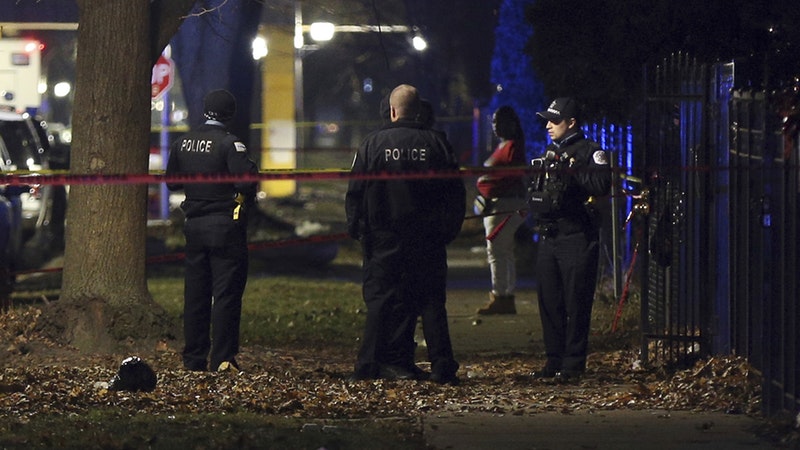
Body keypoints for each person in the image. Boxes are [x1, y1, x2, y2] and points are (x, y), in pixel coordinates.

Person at [345, 84, 465, 384]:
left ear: (392, 111)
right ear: (419, 110)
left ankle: (367, 365)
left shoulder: (372, 144)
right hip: (427, 238)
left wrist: (357, 228)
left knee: (380, 300)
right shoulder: (437, 144)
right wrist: (449, 230)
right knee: (431, 302)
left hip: (383, 237)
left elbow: (356, 191)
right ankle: (442, 366)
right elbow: (455, 193)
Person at [166, 89, 259, 372]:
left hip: (194, 227)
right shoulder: (231, 144)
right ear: (230, 114)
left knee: (195, 295)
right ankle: (222, 359)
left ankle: (193, 358)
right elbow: (246, 182)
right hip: (225, 227)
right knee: (226, 294)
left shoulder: (183, 142)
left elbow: (172, 182)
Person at [527, 97, 611, 382]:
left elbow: (601, 185)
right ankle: (554, 360)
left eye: (554, 121)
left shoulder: (590, 151)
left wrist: (572, 168)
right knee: (549, 301)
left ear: (571, 122)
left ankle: (573, 363)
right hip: (550, 235)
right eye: (547, 121)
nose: (548, 126)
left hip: (576, 235)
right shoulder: (551, 151)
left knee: (576, 301)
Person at [475, 106, 528, 315]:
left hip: (504, 205)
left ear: (511, 123)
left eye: (500, 121)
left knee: (497, 251)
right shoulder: (503, 146)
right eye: (494, 121)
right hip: (498, 204)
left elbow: (511, 177)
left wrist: (490, 187)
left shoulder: (513, 147)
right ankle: (505, 296)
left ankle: (501, 296)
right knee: (503, 251)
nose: (495, 125)